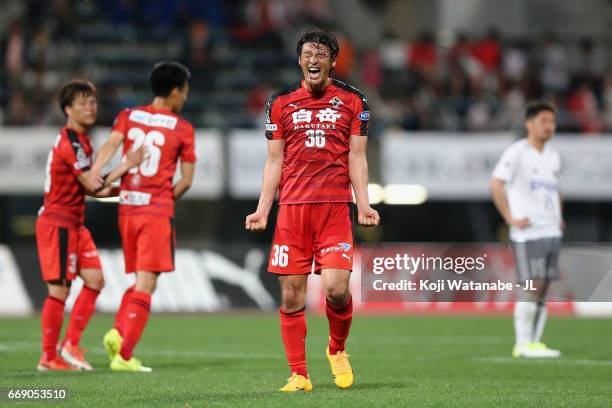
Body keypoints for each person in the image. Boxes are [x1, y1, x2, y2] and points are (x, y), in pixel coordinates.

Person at [246, 29, 380, 391]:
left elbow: (357, 156)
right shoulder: (280, 102)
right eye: (308, 53)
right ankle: (299, 374)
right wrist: (262, 209)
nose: (314, 59)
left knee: (337, 290)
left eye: (321, 54)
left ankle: (337, 349)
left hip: (335, 208)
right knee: (291, 294)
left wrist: (363, 203)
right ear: (299, 59)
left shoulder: (354, 100)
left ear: (333, 61)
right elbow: (274, 161)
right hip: (292, 209)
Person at [89, 62, 196, 372]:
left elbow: (110, 145)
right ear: (175, 92)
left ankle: (118, 332)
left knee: (140, 279)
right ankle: (124, 353)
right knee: (148, 282)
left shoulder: (128, 115)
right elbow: (186, 180)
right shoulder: (182, 128)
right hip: (155, 210)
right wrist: (162, 199)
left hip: (127, 208)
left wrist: (96, 173)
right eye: (185, 92)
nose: (185, 99)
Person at [36, 79, 144, 371]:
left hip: (74, 222)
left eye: (93, 102)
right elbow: (93, 182)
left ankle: (70, 344)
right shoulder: (70, 141)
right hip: (57, 222)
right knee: (59, 291)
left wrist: (132, 191)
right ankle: (48, 357)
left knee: (95, 280)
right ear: (68, 109)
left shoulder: (84, 141)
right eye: (82, 102)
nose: (90, 107)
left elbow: (92, 189)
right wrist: (127, 164)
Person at [491, 100, 563, 358]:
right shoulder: (517, 152)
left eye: (552, 122)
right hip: (528, 232)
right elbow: (497, 184)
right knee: (532, 284)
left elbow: (555, 189)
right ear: (529, 123)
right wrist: (510, 217)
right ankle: (522, 343)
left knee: (544, 288)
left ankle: (535, 341)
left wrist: (559, 216)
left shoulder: (553, 156)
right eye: (544, 121)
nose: (549, 126)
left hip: (551, 230)